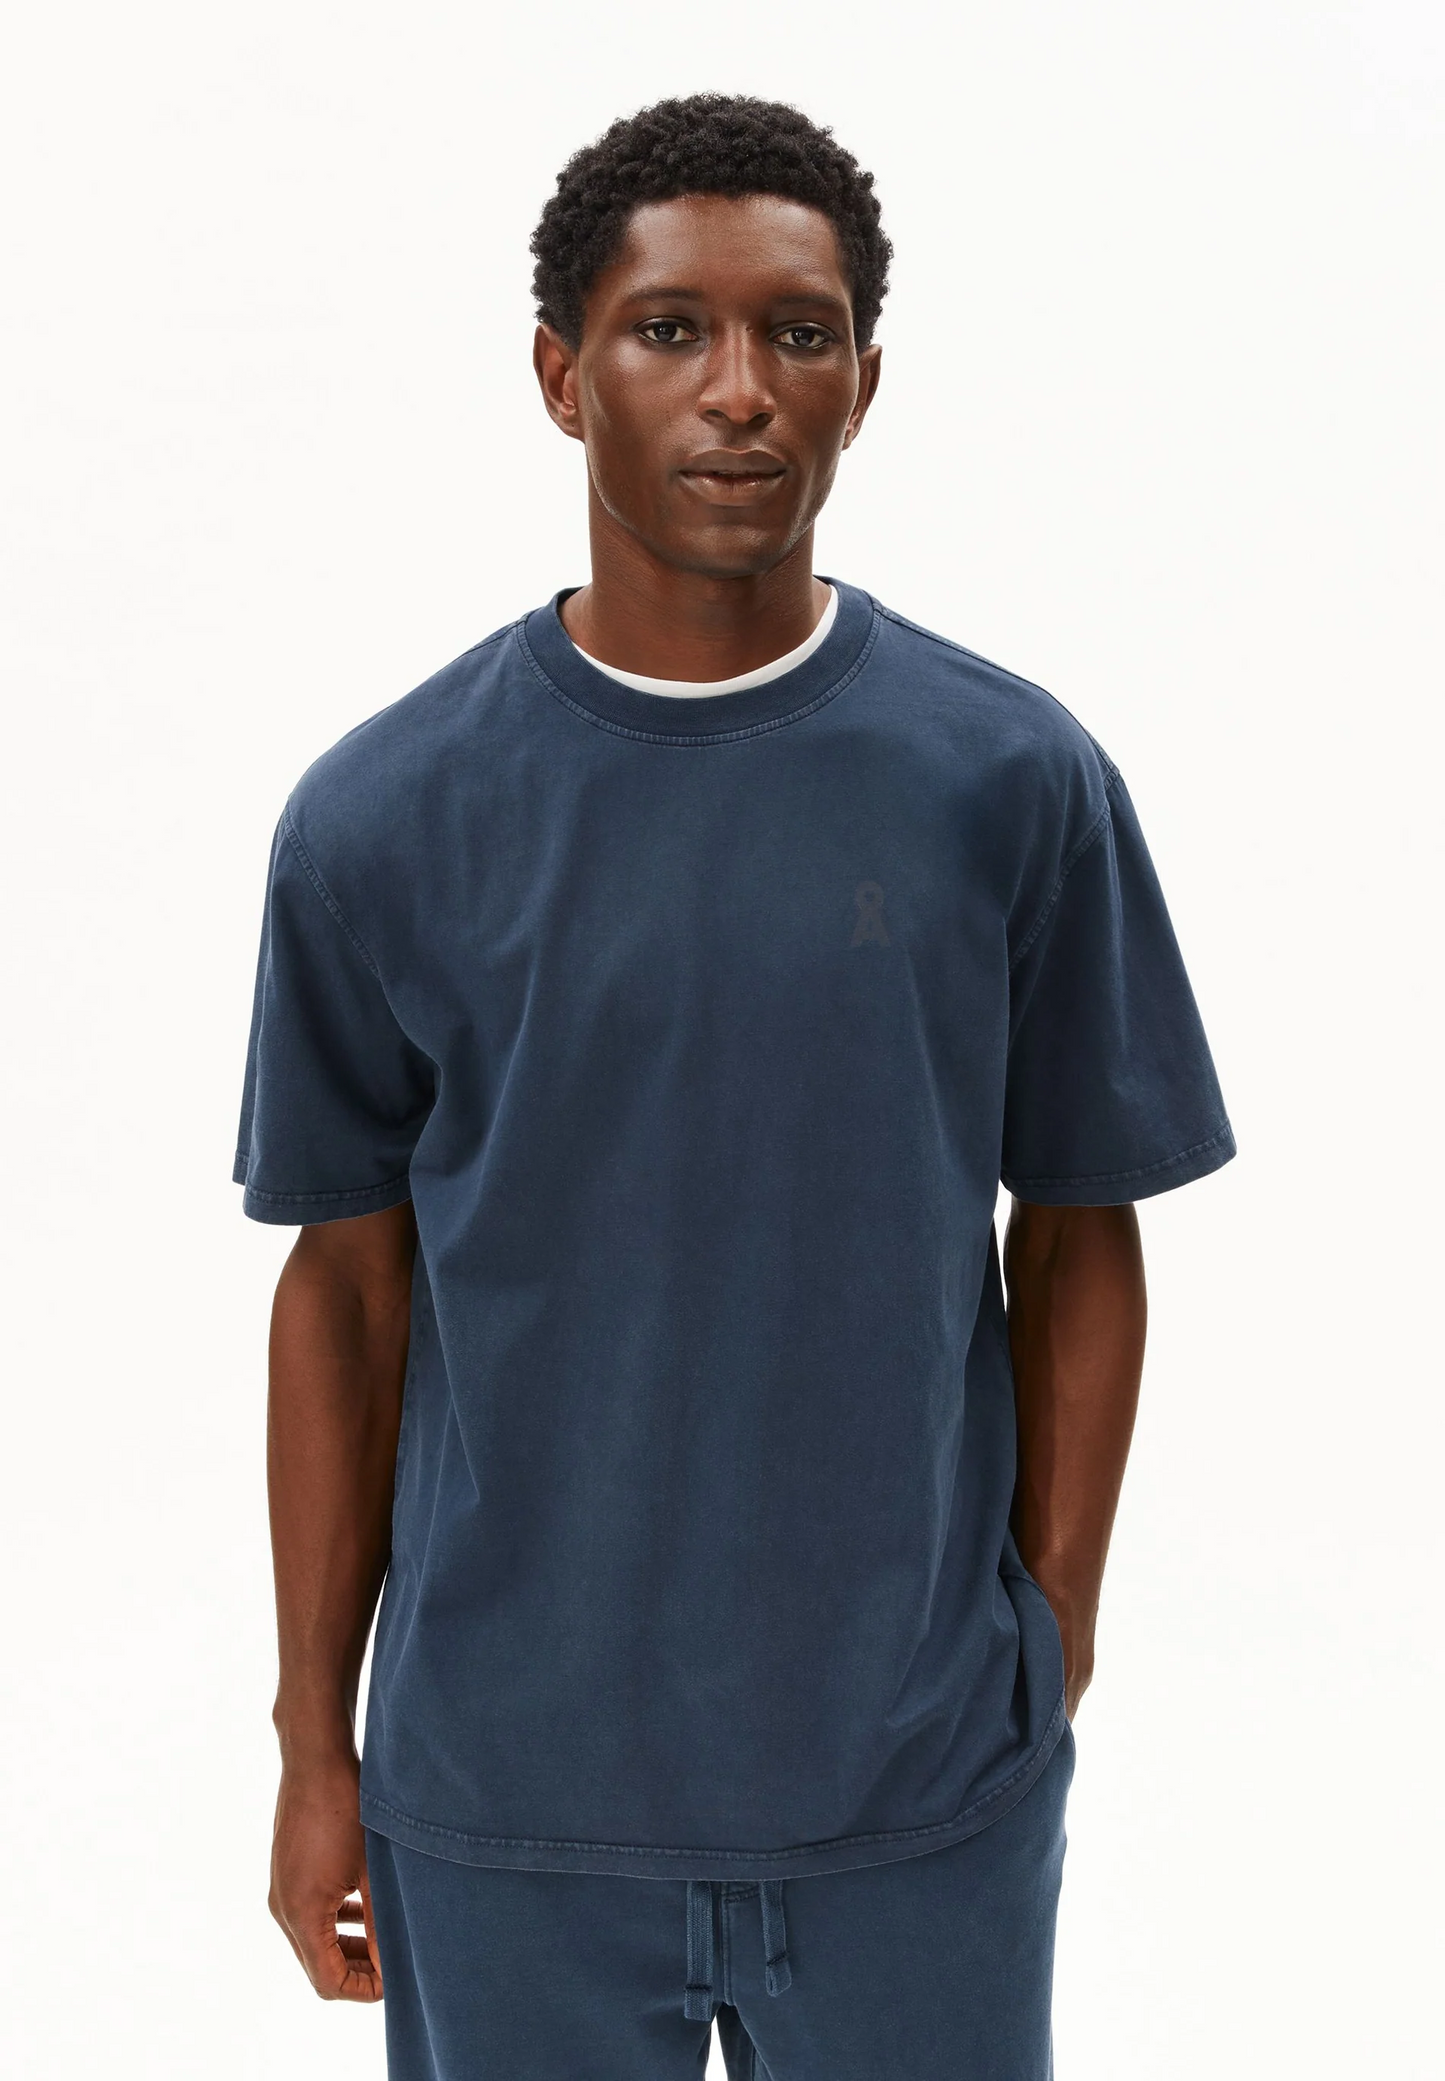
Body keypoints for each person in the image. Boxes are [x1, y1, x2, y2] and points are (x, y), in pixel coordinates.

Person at [234, 93, 1236, 2080]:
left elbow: (1080, 1225)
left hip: (916, 1794)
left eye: (798, 332)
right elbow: (343, 1294)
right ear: (560, 375)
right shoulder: (382, 819)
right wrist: (312, 1748)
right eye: (668, 329)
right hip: (501, 1803)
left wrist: (1046, 1642)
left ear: (865, 380)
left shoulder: (1010, 782)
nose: (739, 389)